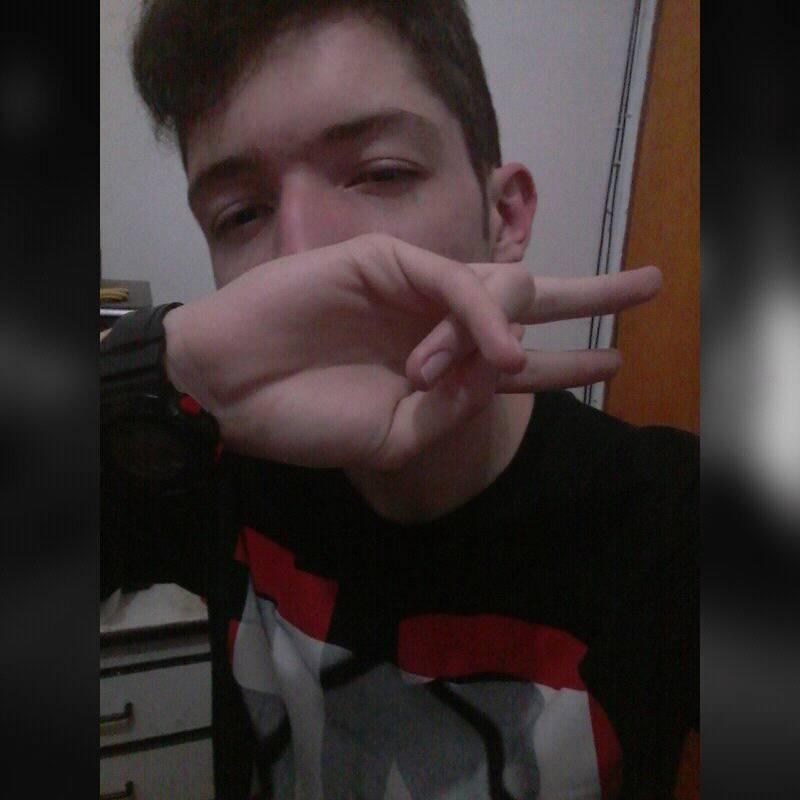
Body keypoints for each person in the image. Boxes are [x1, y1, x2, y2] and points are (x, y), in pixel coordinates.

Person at [101, 2, 698, 798]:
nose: (301, 262)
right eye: (240, 214)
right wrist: (160, 370)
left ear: (504, 215)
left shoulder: (668, 521)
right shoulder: (210, 462)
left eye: (382, 173)